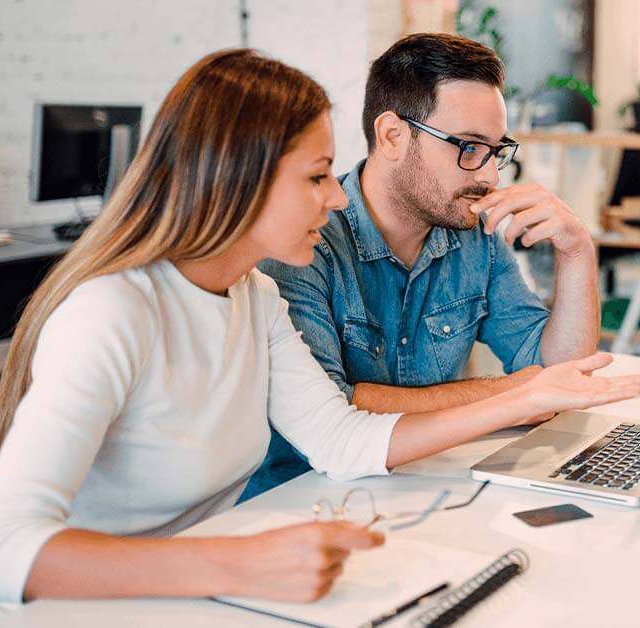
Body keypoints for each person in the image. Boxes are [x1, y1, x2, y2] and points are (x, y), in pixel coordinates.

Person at [0, 48, 640, 620]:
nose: (336, 197)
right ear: (234, 182)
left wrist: (526, 396)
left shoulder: (253, 295)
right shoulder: (111, 313)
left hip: (192, 597)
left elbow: (341, 438)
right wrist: (241, 561)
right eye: (317, 175)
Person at [245, 33, 603, 499]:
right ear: (393, 135)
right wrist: (517, 393)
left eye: (496, 150)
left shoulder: (473, 233)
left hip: (435, 482)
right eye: (469, 147)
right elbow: (336, 409)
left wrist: (578, 253)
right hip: (307, 498)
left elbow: (560, 377)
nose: (489, 175)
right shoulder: (303, 242)